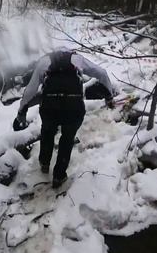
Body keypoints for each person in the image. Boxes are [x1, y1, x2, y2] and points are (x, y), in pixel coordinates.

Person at [13, 48, 114, 188]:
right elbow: (102, 73)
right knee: (67, 139)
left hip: (49, 108)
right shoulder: (78, 59)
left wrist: (21, 113)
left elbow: (30, 90)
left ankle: (44, 163)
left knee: (47, 133)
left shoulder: (43, 62)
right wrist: (109, 96)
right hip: (73, 107)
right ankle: (59, 177)